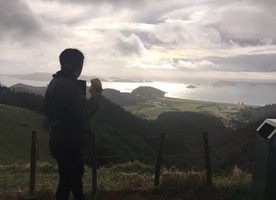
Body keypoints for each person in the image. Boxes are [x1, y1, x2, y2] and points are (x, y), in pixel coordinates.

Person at [43, 48, 102, 200]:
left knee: (72, 176)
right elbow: (80, 115)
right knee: (68, 180)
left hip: (58, 139)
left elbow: (46, 108)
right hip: (68, 143)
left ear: (62, 63)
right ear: (79, 66)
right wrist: (94, 99)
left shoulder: (55, 81)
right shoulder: (70, 86)